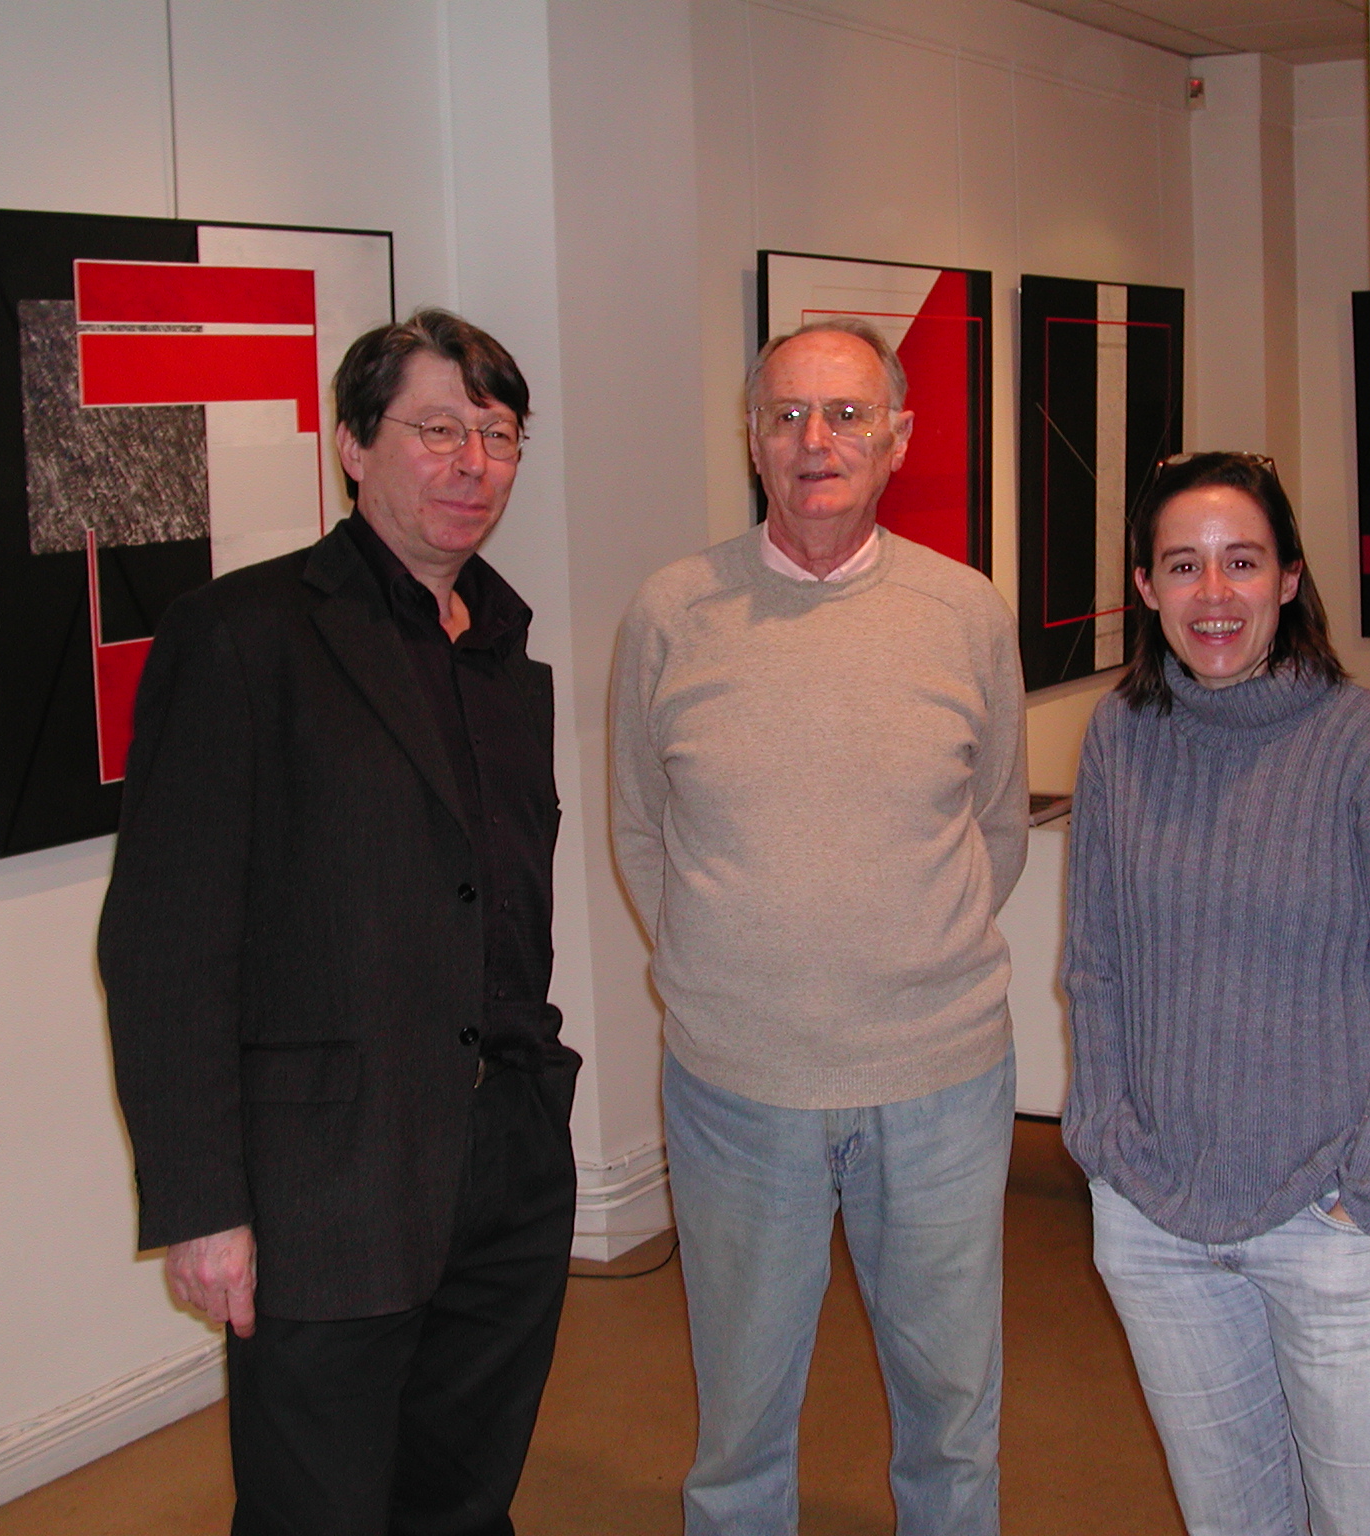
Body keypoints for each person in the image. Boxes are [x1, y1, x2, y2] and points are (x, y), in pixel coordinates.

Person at [100, 309, 578, 1536]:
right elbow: (163, 946)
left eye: (498, 435)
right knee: (314, 1509)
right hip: (330, 1179)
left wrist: (535, 1113)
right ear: (354, 446)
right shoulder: (243, 636)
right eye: (438, 429)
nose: (473, 463)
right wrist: (203, 1203)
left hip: (506, 1161)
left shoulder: (505, 649)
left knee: (463, 1498)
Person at [609, 318, 1028, 1535]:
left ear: (899, 437)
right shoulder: (671, 613)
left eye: (846, 414)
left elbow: (995, 825)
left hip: (941, 1084)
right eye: (786, 415)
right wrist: (734, 971)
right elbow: (641, 829)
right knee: (738, 1428)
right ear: (750, 440)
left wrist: (901, 960)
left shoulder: (963, 612)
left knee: (952, 1419)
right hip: (736, 1090)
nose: (814, 441)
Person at [1060, 451, 1370, 1536]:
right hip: (1161, 1225)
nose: (1213, 593)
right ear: (1144, 587)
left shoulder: (1368, 748)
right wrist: (1104, 1140)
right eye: (1183, 565)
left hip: (1335, 1227)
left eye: (1242, 561)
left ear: (1290, 578)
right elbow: (1095, 961)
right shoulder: (1122, 738)